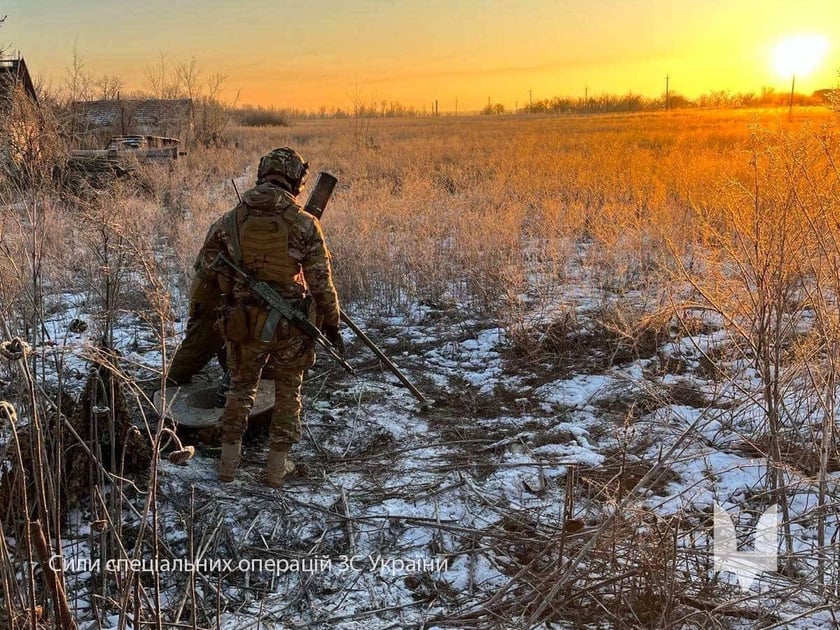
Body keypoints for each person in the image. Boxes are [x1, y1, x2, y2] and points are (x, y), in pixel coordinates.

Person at [192, 147, 343, 487]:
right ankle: (276, 469)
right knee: (289, 391)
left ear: (262, 174)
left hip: (242, 323)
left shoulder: (229, 221)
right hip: (290, 328)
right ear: (294, 180)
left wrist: (235, 277)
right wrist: (332, 324)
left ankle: (228, 465)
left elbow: (202, 267)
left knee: (240, 389)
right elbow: (321, 283)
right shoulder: (305, 224)